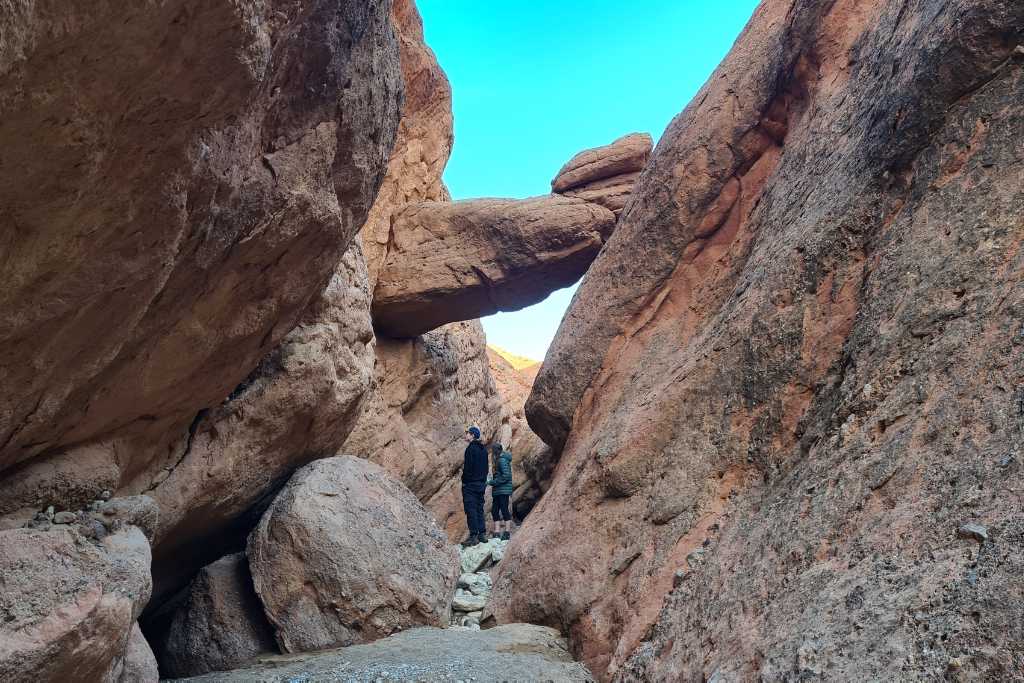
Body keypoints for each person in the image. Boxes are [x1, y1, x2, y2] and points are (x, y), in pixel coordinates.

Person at [461, 425, 489, 547]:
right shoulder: (484, 450)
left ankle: (473, 536)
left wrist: (464, 481)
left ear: (472, 435)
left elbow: (467, 468)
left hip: (470, 485)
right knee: (479, 509)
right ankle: (482, 534)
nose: (466, 434)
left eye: (468, 433)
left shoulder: (470, 449)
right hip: (481, 485)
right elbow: (486, 468)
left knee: (470, 509)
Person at [487, 443, 514, 540]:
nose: (492, 453)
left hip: (503, 490)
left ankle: (507, 532)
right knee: (494, 511)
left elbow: (506, 475)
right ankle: (497, 532)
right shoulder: (499, 459)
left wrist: (493, 482)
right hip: (498, 490)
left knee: (504, 510)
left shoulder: (502, 460)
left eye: (493, 451)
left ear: (496, 451)